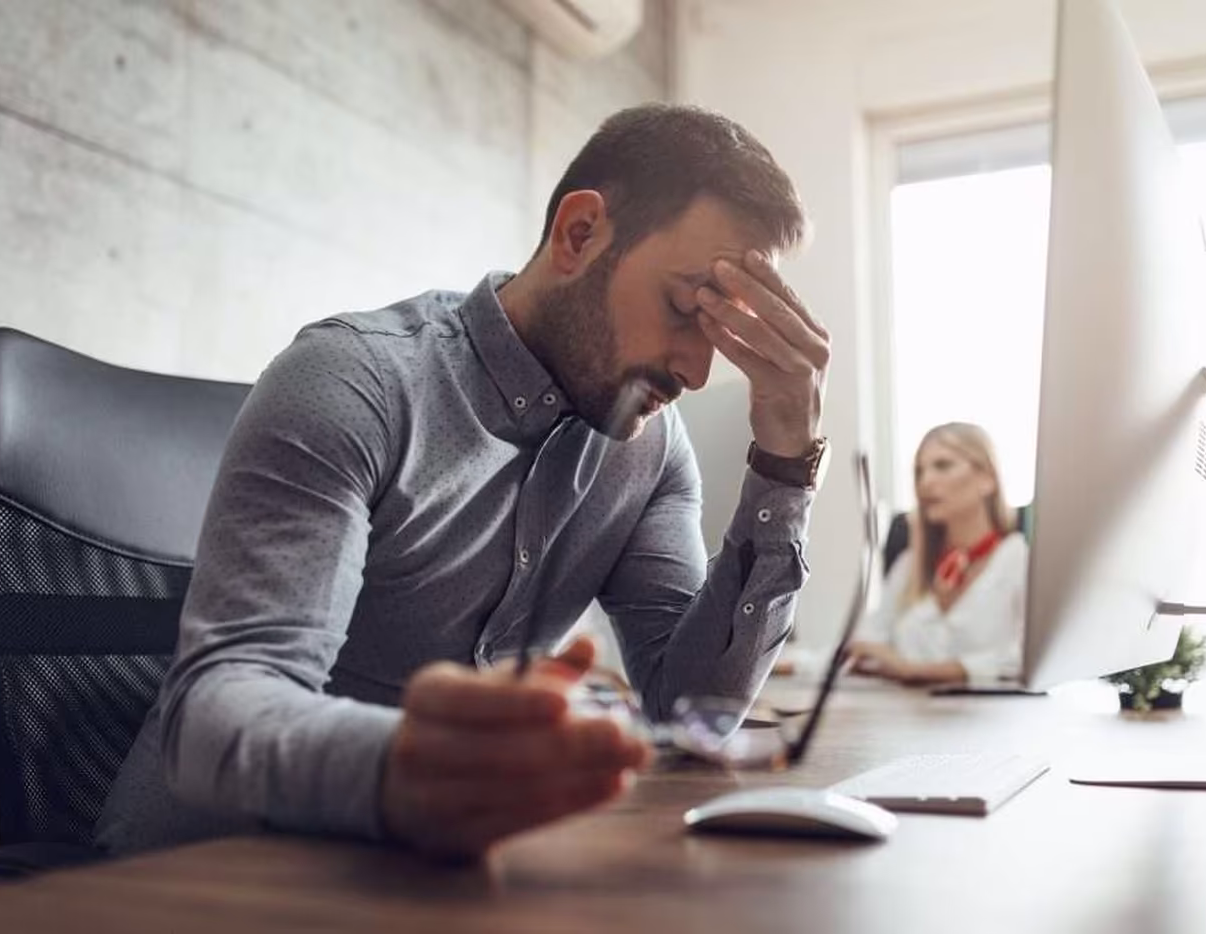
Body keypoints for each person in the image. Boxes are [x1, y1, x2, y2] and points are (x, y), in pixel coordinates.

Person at [95, 104, 832, 860]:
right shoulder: (356, 381)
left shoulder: (645, 449)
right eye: (684, 309)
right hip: (205, 876)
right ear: (580, 235)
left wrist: (784, 463)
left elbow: (690, 709)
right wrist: (407, 769)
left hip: (430, 882)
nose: (696, 370)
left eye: (719, 334)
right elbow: (212, 717)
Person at [848, 422, 1026, 687]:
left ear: (987, 478)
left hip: (992, 719)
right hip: (914, 716)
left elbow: (1026, 658)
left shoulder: (1019, 560)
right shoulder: (911, 562)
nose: (925, 482)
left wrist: (920, 671)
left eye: (942, 466)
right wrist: (787, 662)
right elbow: (865, 644)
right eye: (920, 471)